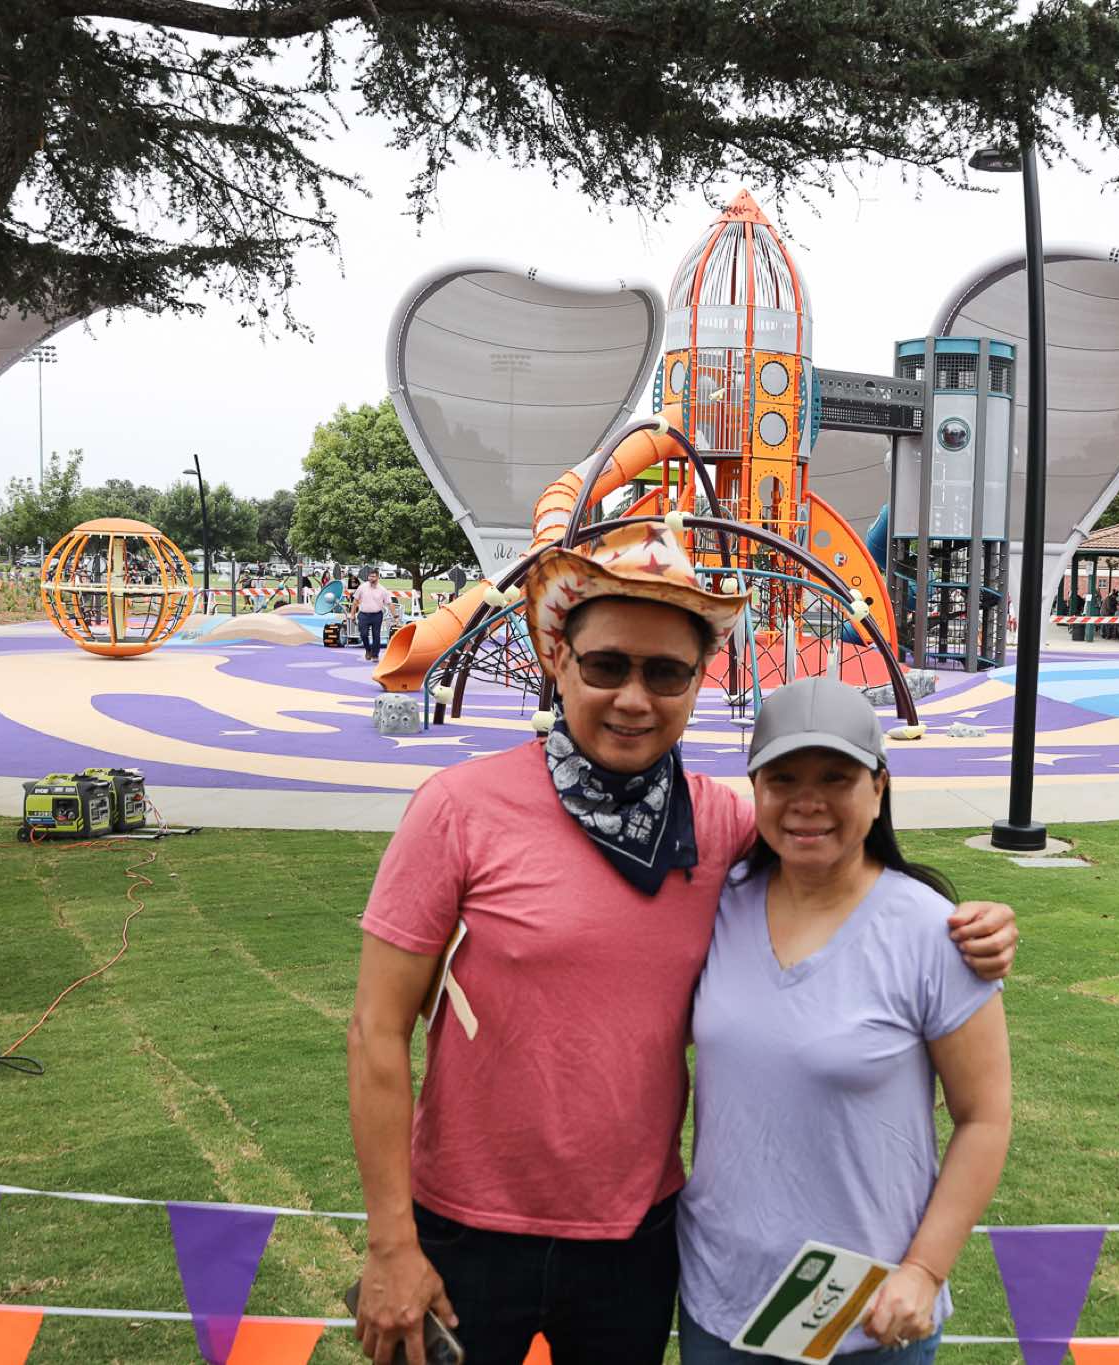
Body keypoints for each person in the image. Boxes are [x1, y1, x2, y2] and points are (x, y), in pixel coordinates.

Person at [346, 524, 1018, 1365]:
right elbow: (376, 1031)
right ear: (559, 661)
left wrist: (968, 922)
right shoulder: (458, 809)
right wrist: (391, 1242)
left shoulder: (725, 824)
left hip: (637, 1240)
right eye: (607, 665)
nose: (634, 697)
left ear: (699, 683)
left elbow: (833, 852)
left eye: (665, 673)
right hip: (465, 1228)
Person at [676, 678, 1010, 1364]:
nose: (808, 801)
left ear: (879, 789)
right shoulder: (717, 904)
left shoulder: (932, 932)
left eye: (836, 777)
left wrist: (925, 1270)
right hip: (721, 1298)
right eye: (783, 778)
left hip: (871, 1313)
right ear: (755, 788)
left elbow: (985, 1117)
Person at [353, 567, 391, 661]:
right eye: (370, 576)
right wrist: (352, 614)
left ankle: (375, 655)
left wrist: (395, 616)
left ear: (377, 577)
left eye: (373, 576)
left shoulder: (383, 589)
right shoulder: (362, 587)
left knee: (376, 635)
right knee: (363, 634)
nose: (371, 578)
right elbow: (355, 600)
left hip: (377, 615)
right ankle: (368, 650)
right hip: (363, 614)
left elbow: (389, 603)